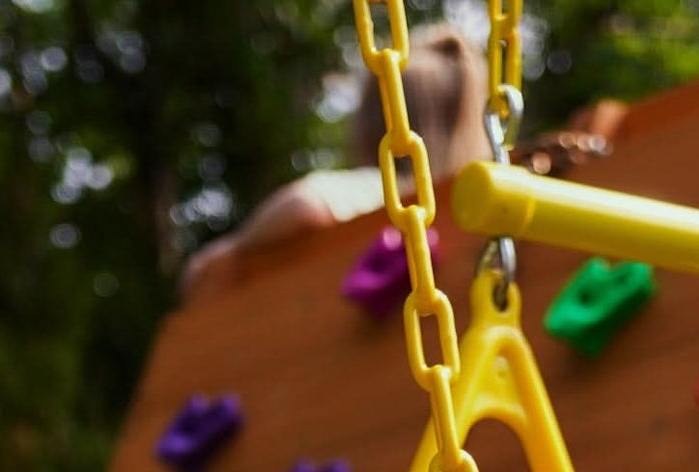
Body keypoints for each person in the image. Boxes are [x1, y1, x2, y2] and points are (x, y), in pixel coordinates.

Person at [179, 29, 489, 301]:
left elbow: (304, 204)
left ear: (369, 123)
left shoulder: (381, 192)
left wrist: (235, 248)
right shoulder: (485, 203)